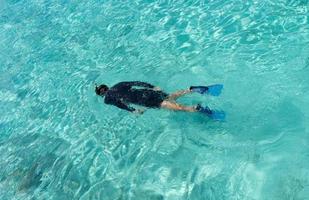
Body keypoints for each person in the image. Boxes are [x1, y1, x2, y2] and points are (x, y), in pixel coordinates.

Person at [95, 81, 225, 120]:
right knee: (170, 98)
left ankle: (198, 109)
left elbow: (120, 105)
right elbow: (137, 82)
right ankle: (190, 89)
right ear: (107, 86)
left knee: (179, 108)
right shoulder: (119, 84)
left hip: (147, 102)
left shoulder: (108, 99)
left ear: (102, 95)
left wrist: (133, 110)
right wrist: (153, 87)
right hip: (149, 92)